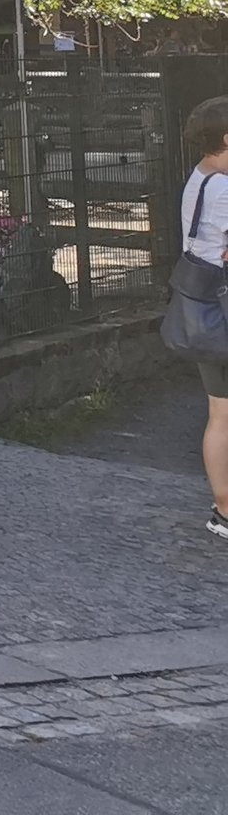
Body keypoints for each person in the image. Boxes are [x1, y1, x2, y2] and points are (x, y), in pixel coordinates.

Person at [181, 95, 228, 537]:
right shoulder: (225, 190)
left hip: (205, 311)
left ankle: (224, 510)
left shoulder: (200, 178)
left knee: (221, 413)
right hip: (224, 308)